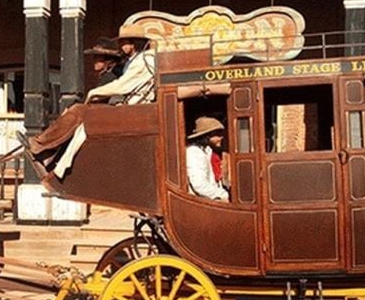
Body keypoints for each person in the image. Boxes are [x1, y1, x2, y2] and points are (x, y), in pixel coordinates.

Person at [28, 22, 158, 179]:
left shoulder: (143, 61)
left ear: (136, 43)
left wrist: (93, 93)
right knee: (77, 113)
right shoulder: (134, 61)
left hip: (131, 110)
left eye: (127, 41)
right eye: (122, 41)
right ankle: (47, 152)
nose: (123, 45)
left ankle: (40, 145)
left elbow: (122, 86)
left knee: (78, 110)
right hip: (126, 107)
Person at [185, 116, 229, 200]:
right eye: (218, 134)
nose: (221, 137)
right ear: (207, 136)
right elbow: (199, 184)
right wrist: (222, 194)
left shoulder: (208, 151)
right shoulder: (194, 152)